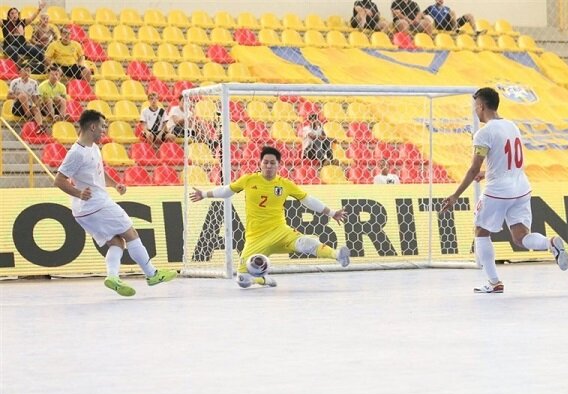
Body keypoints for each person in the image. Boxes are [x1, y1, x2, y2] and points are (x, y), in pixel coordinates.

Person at [440, 87, 568, 294]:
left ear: (481, 106)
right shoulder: (512, 126)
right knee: (520, 237)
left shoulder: (484, 133)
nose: (475, 111)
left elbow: (473, 167)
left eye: (476, 106)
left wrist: (455, 195)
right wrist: (487, 173)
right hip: (521, 188)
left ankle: (494, 282)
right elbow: (506, 159)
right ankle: (550, 243)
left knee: (481, 231)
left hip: (498, 191)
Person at [189, 146, 351, 288]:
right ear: (260, 163)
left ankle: (338, 256)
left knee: (304, 243)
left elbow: (307, 200)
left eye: (272, 163)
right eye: (265, 162)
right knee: (243, 280)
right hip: (256, 237)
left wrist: (331, 212)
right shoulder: (248, 179)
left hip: (280, 231)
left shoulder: (285, 184)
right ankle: (263, 280)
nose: (268, 165)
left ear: (278, 165)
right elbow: (227, 190)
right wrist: (204, 194)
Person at [54, 110, 177, 296]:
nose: (104, 130)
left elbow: (98, 173)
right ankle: (152, 274)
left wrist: (114, 184)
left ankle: (112, 277)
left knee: (117, 242)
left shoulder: (93, 147)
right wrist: (79, 193)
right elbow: (59, 180)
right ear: (92, 127)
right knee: (131, 233)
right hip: (97, 204)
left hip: (83, 211)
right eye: (102, 126)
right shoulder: (77, 153)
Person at [8, 64, 44, 129]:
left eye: (29, 71)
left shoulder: (34, 83)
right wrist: (17, 96)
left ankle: (40, 127)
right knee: (22, 95)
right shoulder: (15, 82)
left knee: (36, 108)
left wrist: (37, 105)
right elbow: (8, 96)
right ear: (20, 72)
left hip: (29, 106)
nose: (27, 72)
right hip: (18, 107)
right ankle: (29, 116)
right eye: (25, 70)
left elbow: (35, 98)